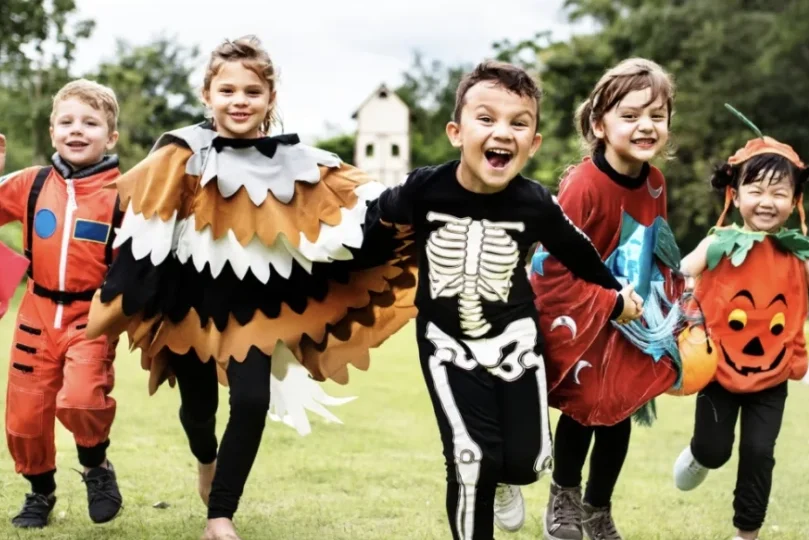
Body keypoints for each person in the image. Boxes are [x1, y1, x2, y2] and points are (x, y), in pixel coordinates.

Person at [84, 36, 417, 540]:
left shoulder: (304, 162)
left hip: (254, 312)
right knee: (199, 413)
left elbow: (367, 200)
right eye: (227, 89)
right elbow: (129, 210)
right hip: (187, 309)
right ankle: (205, 459)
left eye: (252, 91)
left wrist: (433, 194)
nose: (239, 100)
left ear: (269, 98)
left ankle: (220, 516)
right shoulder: (179, 154)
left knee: (253, 401)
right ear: (207, 95)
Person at [368, 60, 643, 540]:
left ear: (533, 143)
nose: (503, 132)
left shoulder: (533, 202)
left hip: (516, 338)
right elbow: (373, 223)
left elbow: (578, 251)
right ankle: (482, 482)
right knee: (471, 458)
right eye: (486, 119)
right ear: (456, 132)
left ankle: (505, 479)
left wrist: (616, 295)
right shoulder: (423, 189)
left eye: (519, 123)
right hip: (445, 342)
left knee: (526, 460)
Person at [531, 58, 684, 540]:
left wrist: (672, 298)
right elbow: (553, 263)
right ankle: (564, 498)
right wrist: (605, 302)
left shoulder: (656, 182)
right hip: (585, 316)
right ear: (599, 124)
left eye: (657, 116)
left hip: (632, 321)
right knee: (584, 409)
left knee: (619, 414)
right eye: (631, 115)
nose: (646, 126)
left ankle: (598, 509)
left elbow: (655, 244)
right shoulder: (583, 185)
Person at [673, 105, 809, 540]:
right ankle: (699, 455)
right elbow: (680, 272)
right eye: (757, 190)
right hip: (717, 370)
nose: (767, 202)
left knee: (759, 452)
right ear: (735, 194)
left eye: (779, 192)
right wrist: (682, 294)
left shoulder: (799, 250)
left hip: (772, 373)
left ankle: (747, 533)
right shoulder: (718, 243)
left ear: (795, 200)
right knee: (714, 451)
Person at [0, 80, 125, 528]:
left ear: (110, 137)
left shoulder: (123, 195)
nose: (77, 130)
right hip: (35, 311)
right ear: (52, 130)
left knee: (83, 399)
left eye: (90, 123)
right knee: (25, 416)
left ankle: (96, 467)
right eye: (67, 122)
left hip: (90, 315)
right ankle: (40, 493)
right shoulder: (31, 183)